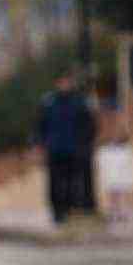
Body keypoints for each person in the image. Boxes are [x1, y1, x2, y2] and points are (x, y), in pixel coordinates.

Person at [37, 73, 96, 224]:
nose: (64, 85)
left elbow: (89, 125)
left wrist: (85, 144)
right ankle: (57, 213)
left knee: (73, 182)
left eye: (67, 82)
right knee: (55, 183)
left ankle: (70, 211)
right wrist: (41, 144)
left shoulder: (79, 102)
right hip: (55, 149)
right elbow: (40, 125)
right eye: (61, 82)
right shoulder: (48, 102)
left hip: (74, 149)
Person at [97, 126, 133, 225]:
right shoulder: (107, 150)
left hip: (116, 177)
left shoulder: (124, 150)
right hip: (114, 177)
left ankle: (118, 212)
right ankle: (115, 212)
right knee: (114, 195)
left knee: (117, 195)